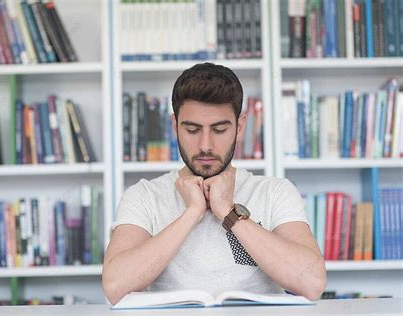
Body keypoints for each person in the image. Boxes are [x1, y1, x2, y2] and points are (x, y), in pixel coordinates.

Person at [102, 62, 326, 305]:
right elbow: (115, 286)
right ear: (174, 126)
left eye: (219, 129)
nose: (205, 145)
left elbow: (312, 283)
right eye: (192, 129)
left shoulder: (275, 192)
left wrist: (228, 213)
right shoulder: (144, 196)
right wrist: (192, 213)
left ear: (239, 127)